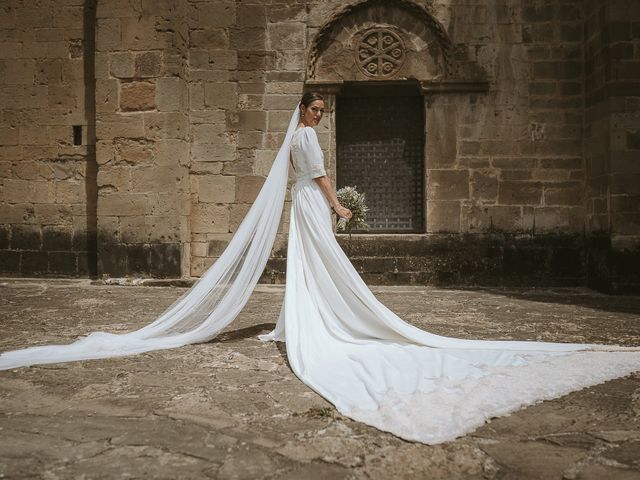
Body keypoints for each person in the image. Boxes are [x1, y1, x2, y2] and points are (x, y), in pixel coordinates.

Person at [1, 93, 640, 445]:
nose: (318, 117)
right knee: (321, 257)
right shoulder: (304, 142)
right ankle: (319, 322)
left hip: (305, 204)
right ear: (303, 111)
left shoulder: (301, 135)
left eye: (321, 113)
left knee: (313, 264)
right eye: (314, 110)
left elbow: (310, 170)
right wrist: (338, 205)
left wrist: (328, 199)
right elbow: (319, 175)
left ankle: (305, 319)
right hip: (312, 203)